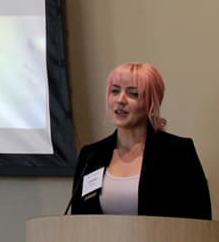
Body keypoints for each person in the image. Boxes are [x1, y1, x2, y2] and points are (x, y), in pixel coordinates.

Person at [68, 63, 211, 220]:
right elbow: (78, 220)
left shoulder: (178, 152)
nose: (120, 100)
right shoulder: (91, 155)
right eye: (115, 91)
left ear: (151, 103)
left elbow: (200, 218)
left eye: (133, 94)